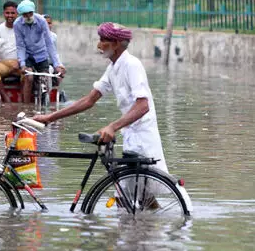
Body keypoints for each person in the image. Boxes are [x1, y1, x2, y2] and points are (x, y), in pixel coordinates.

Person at [32, 22, 168, 207]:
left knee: (125, 197)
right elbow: (89, 100)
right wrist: (49, 118)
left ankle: (140, 231)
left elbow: (143, 105)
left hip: (143, 137)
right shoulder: (113, 68)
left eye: (103, 40)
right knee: (141, 197)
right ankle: (148, 228)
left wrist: (113, 126)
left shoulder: (132, 65)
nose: (99, 45)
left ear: (117, 43)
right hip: (130, 134)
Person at [13, 0, 66, 103]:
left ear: (33, 12)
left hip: (41, 54)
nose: (28, 16)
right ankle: (26, 106)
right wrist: (23, 64)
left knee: (45, 78)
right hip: (28, 55)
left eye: (30, 13)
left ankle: (47, 103)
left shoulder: (41, 21)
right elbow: (20, 45)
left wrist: (56, 64)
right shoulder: (17, 24)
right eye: (25, 14)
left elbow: (49, 43)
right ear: (21, 15)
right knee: (29, 78)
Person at [43, 14, 63, 87]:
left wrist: (59, 65)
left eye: (49, 23)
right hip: (40, 62)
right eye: (45, 23)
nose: (47, 25)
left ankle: (54, 90)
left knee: (60, 72)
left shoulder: (53, 36)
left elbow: (54, 53)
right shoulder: (37, 35)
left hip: (51, 62)